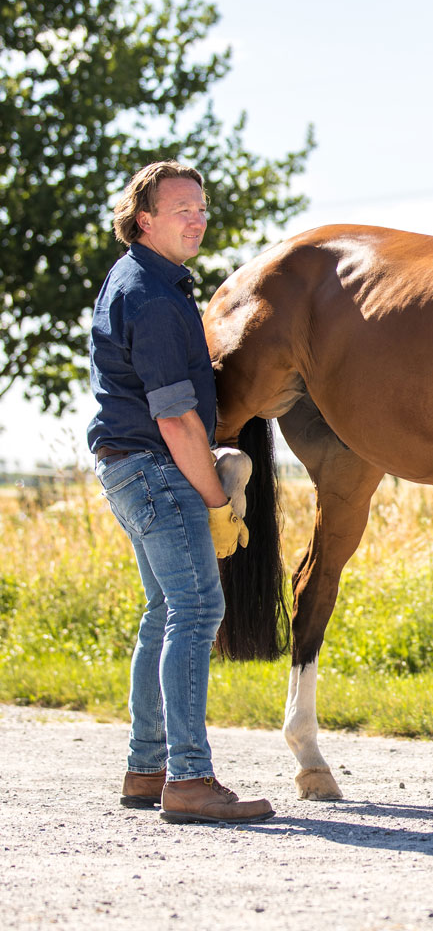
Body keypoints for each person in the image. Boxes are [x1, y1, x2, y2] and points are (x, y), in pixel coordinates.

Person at [88, 161, 273, 824]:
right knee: (196, 611)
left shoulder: (132, 283)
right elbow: (174, 418)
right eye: (182, 210)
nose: (197, 218)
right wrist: (217, 503)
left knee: (164, 612)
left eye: (201, 206)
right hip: (160, 468)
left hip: (128, 467)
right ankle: (190, 779)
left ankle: (149, 767)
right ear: (146, 220)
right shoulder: (155, 299)